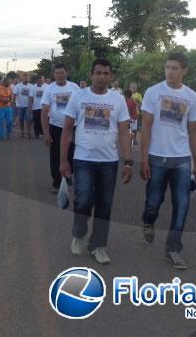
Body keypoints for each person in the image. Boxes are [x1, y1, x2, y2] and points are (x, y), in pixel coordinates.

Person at [60, 58, 133, 265]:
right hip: (83, 159)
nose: (102, 76)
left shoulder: (117, 100)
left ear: (111, 76)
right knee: (83, 200)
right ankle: (78, 233)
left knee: (105, 205)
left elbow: (123, 132)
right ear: (91, 75)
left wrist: (128, 162)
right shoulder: (78, 97)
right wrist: (63, 161)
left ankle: (98, 245)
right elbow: (67, 131)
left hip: (109, 162)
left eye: (106, 73)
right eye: (98, 73)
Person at [140, 53, 196, 270]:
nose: (170, 71)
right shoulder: (153, 92)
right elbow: (146, 126)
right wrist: (144, 159)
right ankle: (148, 220)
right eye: (167, 67)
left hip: (182, 159)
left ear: (184, 70)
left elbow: (194, 130)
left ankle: (173, 249)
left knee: (182, 205)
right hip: (157, 157)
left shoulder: (192, 97)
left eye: (175, 68)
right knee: (154, 201)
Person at [41, 63, 80, 193]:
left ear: (66, 73)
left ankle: (68, 174)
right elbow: (44, 110)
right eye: (57, 73)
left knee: (73, 154)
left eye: (62, 72)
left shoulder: (74, 87)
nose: (60, 75)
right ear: (54, 75)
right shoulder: (49, 89)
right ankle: (57, 182)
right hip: (56, 127)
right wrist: (46, 133)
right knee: (55, 156)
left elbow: (81, 107)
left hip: (73, 127)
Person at [13, 73, 34, 138]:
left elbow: (31, 97)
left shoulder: (31, 86)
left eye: (27, 78)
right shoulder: (18, 86)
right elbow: (14, 95)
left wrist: (30, 106)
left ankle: (29, 132)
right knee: (21, 119)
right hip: (19, 106)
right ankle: (22, 131)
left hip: (27, 106)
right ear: (22, 78)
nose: (26, 79)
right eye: (25, 78)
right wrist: (14, 104)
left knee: (28, 119)